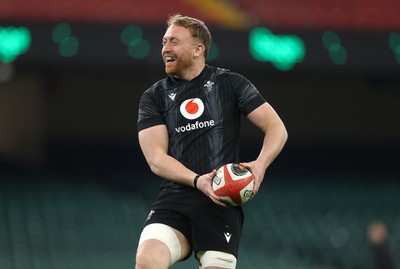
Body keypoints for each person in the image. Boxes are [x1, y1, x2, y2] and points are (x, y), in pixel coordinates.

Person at [136, 14, 288, 269]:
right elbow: (156, 159)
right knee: (147, 260)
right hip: (176, 197)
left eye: (174, 41)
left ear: (198, 49)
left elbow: (276, 128)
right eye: (164, 42)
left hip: (221, 200)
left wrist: (260, 165)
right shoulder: (154, 96)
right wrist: (198, 181)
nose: (165, 48)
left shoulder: (230, 83)